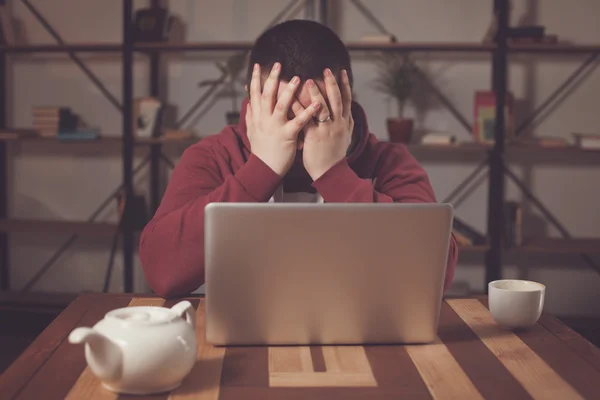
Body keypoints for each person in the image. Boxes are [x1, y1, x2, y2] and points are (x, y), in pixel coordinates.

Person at [139, 19, 458, 298]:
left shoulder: (391, 162)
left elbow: (434, 276)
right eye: (283, 113)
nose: (298, 135)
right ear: (253, 104)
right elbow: (162, 272)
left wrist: (334, 174)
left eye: (317, 115)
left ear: (346, 103)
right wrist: (260, 169)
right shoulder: (214, 157)